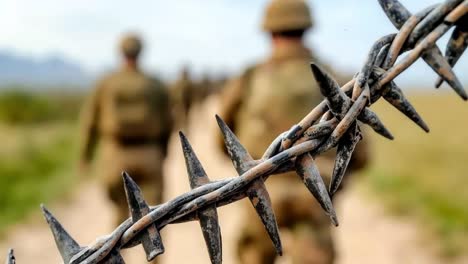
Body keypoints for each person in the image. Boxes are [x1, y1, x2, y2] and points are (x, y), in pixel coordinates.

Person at [217, 0, 369, 263]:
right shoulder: (333, 78)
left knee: (254, 255)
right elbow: (360, 147)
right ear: (306, 28)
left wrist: (243, 172)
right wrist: (338, 179)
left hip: (261, 186)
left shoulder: (251, 77)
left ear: (270, 32)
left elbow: (223, 134)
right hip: (316, 189)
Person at [79, 33, 172, 231]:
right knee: (153, 217)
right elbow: (168, 122)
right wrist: (162, 152)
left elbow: (90, 123)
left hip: (116, 156)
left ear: (120, 52)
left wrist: (85, 157)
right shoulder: (155, 85)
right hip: (150, 154)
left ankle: (117, 256)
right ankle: (153, 259)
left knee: (120, 216)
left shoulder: (107, 84)